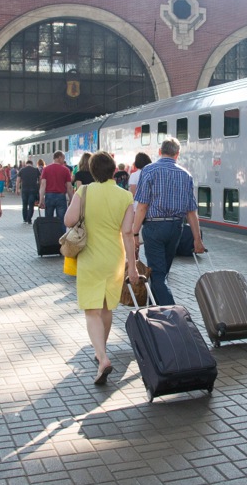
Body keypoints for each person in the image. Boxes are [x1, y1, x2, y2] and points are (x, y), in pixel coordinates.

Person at [63, 151, 138, 385]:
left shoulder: (83, 191)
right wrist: (132, 267)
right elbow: (128, 233)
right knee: (106, 308)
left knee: (91, 310)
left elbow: (68, 221)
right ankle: (100, 351)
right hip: (114, 258)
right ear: (115, 170)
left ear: (92, 171)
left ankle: (102, 356)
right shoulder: (125, 196)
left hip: (90, 258)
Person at [131, 138, 204, 306]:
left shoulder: (148, 171)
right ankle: (154, 311)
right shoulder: (185, 175)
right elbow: (191, 212)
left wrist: (134, 233)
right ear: (177, 154)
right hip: (176, 227)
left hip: (154, 227)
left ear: (159, 151)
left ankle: (172, 313)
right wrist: (197, 239)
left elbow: (142, 206)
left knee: (157, 274)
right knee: (162, 273)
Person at [38, 151, 74, 227]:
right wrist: (71, 199)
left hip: (49, 196)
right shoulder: (66, 170)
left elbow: (43, 185)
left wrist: (41, 199)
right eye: (63, 158)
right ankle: (61, 237)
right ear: (59, 157)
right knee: (62, 220)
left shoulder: (46, 169)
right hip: (61, 196)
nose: (64, 161)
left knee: (48, 219)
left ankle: (49, 236)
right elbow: (69, 187)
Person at [15, 159, 41, 225]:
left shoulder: (22, 170)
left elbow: (18, 181)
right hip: (33, 190)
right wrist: (40, 188)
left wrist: (17, 189)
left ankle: (25, 219)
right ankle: (29, 219)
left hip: (24, 190)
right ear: (32, 164)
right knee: (31, 205)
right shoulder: (36, 170)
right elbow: (40, 180)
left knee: (24, 205)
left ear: (26, 164)